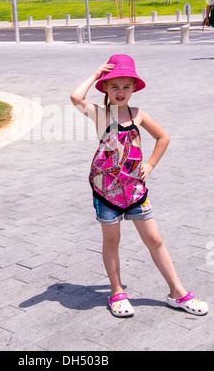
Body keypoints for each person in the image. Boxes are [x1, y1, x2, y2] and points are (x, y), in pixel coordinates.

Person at [70, 54, 209, 318]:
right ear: (105, 89)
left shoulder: (137, 114)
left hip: (135, 192)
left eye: (126, 87)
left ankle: (177, 292)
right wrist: (95, 74)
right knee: (112, 240)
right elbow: (76, 98)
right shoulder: (102, 115)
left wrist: (151, 165)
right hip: (106, 192)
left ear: (134, 88)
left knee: (154, 239)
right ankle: (116, 291)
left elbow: (163, 137)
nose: (120, 92)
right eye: (114, 86)